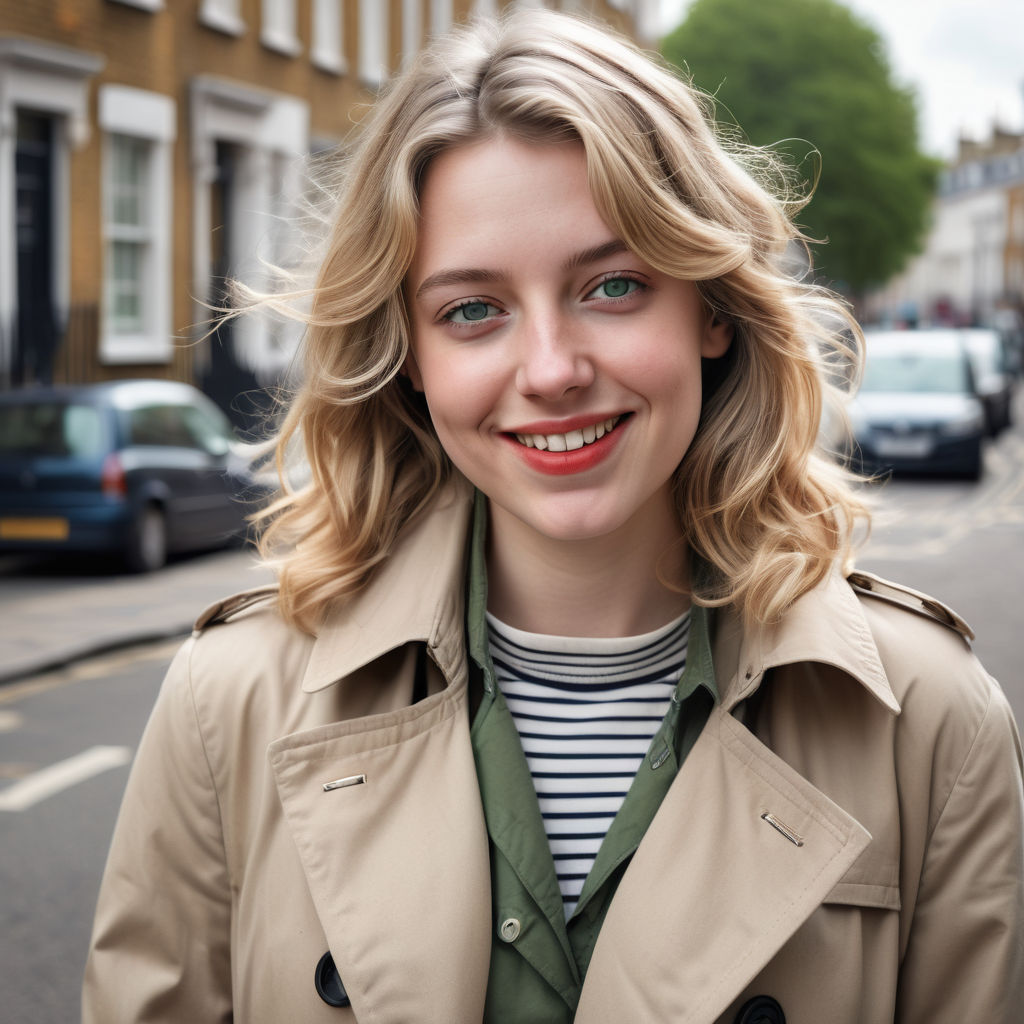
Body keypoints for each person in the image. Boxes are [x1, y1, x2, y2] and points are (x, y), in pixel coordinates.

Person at [83, 9, 1024, 1023]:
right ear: (408, 353)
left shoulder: (929, 722)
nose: (551, 370)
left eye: (612, 285)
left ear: (711, 307)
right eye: (471, 310)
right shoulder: (231, 702)